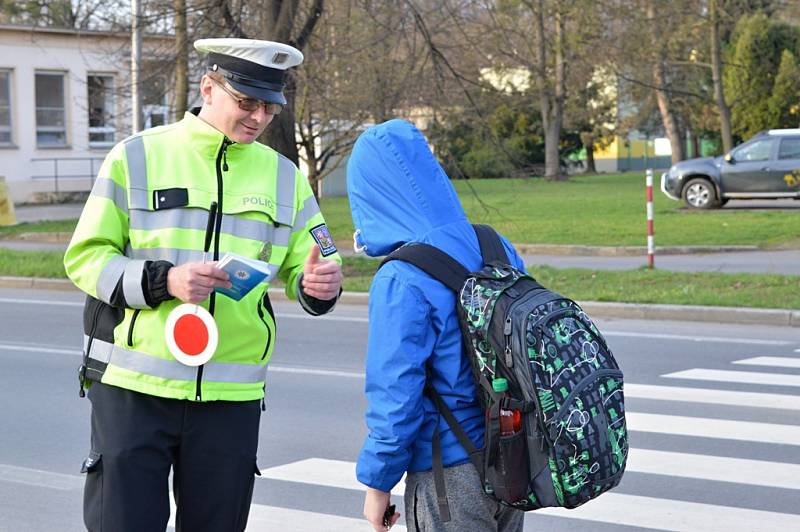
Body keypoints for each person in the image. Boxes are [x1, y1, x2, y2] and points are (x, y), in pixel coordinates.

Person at [64, 38, 343, 531]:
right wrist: (163, 280)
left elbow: (315, 263)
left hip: (229, 400)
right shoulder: (135, 157)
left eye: (269, 106)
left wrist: (320, 283)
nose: (259, 117)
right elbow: (86, 258)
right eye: (247, 102)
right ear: (208, 88)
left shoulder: (287, 178)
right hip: (135, 389)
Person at [347, 119, 525, 532]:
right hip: (511, 456)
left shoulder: (402, 276)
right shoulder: (491, 243)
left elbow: (396, 392)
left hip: (449, 468)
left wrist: (378, 484)